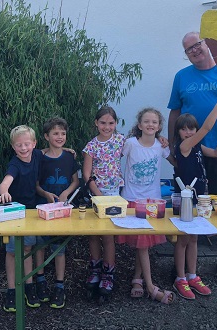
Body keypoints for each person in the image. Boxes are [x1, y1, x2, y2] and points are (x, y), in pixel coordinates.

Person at [167, 31, 217, 284]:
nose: (194, 50)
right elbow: (174, 113)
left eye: (197, 44)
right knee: (186, 208)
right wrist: (172, 147)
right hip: (190, 153)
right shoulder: (181, 77)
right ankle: (181, 266)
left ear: (207, 44)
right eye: (188, 49)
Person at [173, 91, 217, 300]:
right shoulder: (184, 146)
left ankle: (192, 275)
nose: (189, 132)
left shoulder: (197, 145)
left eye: (192, 128)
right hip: (185, 199)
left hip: (199, 198)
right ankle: (180, 278)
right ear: (179, 132)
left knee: (194, 239)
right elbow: (207, 127)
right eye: (184, 129)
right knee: (183, 239)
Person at [117, 108, 176, 304]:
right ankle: (151, 287)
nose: (150, 125)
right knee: (141, 243)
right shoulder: (130, 144)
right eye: (146, 121)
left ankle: (137, 279)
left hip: (153, 202)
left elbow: (176, 161)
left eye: (155, 122)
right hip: (132, 199)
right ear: (140, 125)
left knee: (143, 244)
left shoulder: (161, 145)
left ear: (159, 127)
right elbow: (111, 156)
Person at [35, 117, 80, 309]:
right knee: (40, 244)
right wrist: (46, 194)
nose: (60, 136)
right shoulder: (39, 157)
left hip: (62, 208)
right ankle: (40, 280)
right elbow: (35, 184)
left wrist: (65, 193)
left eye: (62, 133)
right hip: (43, 208)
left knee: (59, 247)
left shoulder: (70, 157)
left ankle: (59, 285)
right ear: (46, 136)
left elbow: (75, 181)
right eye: (55, 133)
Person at [0, 125, 43, 312]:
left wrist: (67, 150)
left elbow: (50, 151)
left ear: (34, 144)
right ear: (13, 146)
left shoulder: (38, 155)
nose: (23, 148)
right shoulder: (15, 164)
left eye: (26, 144)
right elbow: (5, 182)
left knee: (27, 248)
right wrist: (4, 192)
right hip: (14, 213)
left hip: (30, 212)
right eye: (19, 145)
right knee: (12, 251)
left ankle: (29, 286)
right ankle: (12, 290)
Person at [82, 106, 124, 297]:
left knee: (108, 236)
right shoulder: (91, 145)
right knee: (93, 234)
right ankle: (95, 269)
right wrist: (97, 194)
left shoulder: (121, 140)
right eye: (103, 123)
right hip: (96, 195)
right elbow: (86, 173)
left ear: (115, 124)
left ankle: (109, 273)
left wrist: (161, 140)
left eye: (111, 123)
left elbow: (142, 145)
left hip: (114, 195)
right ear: (96, 123)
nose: (107, 127)